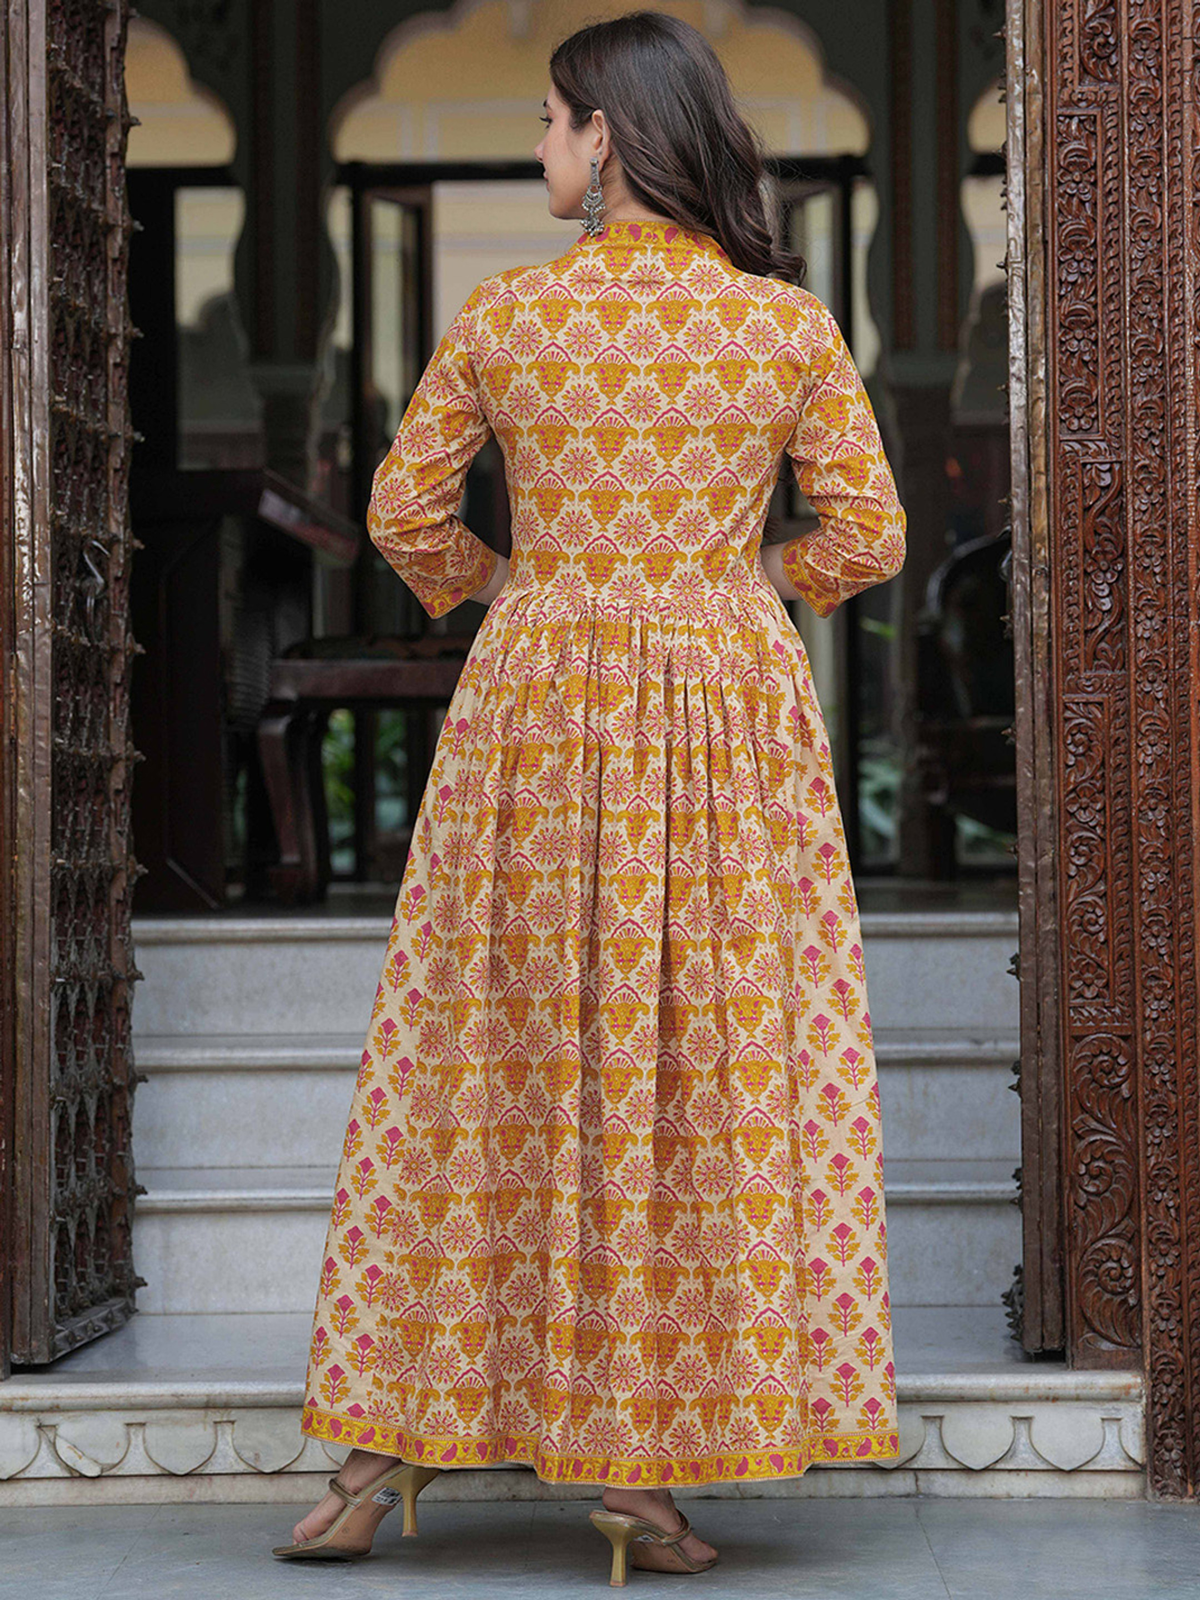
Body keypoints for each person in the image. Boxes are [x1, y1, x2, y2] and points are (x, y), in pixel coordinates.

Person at [273, 9, 906, 1583]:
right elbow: (871, 537)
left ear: (607, 137)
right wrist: (745, 582)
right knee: (704, 1067)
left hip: (537, 718)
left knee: (487, 1052)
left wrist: (523, 586)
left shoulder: (507, 315)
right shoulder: (787, 329)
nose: (543, 149)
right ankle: (647, 1477)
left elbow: (402, 514)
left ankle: (376, 1459)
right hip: (726, 720)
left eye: (556, 124)